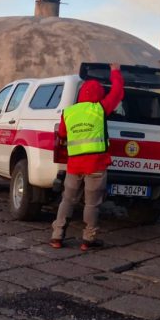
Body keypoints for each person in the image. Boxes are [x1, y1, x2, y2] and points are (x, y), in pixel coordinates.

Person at [50, 63, 124, 251]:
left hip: (74, 165)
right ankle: (87, 240)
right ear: (99, 95)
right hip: (96, 165)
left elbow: (64, 135)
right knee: (92, 204)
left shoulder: (69, 112)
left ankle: (57, 236)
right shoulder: (99, 109)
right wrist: (115, 71)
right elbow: (117, 92)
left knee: (67, 200)